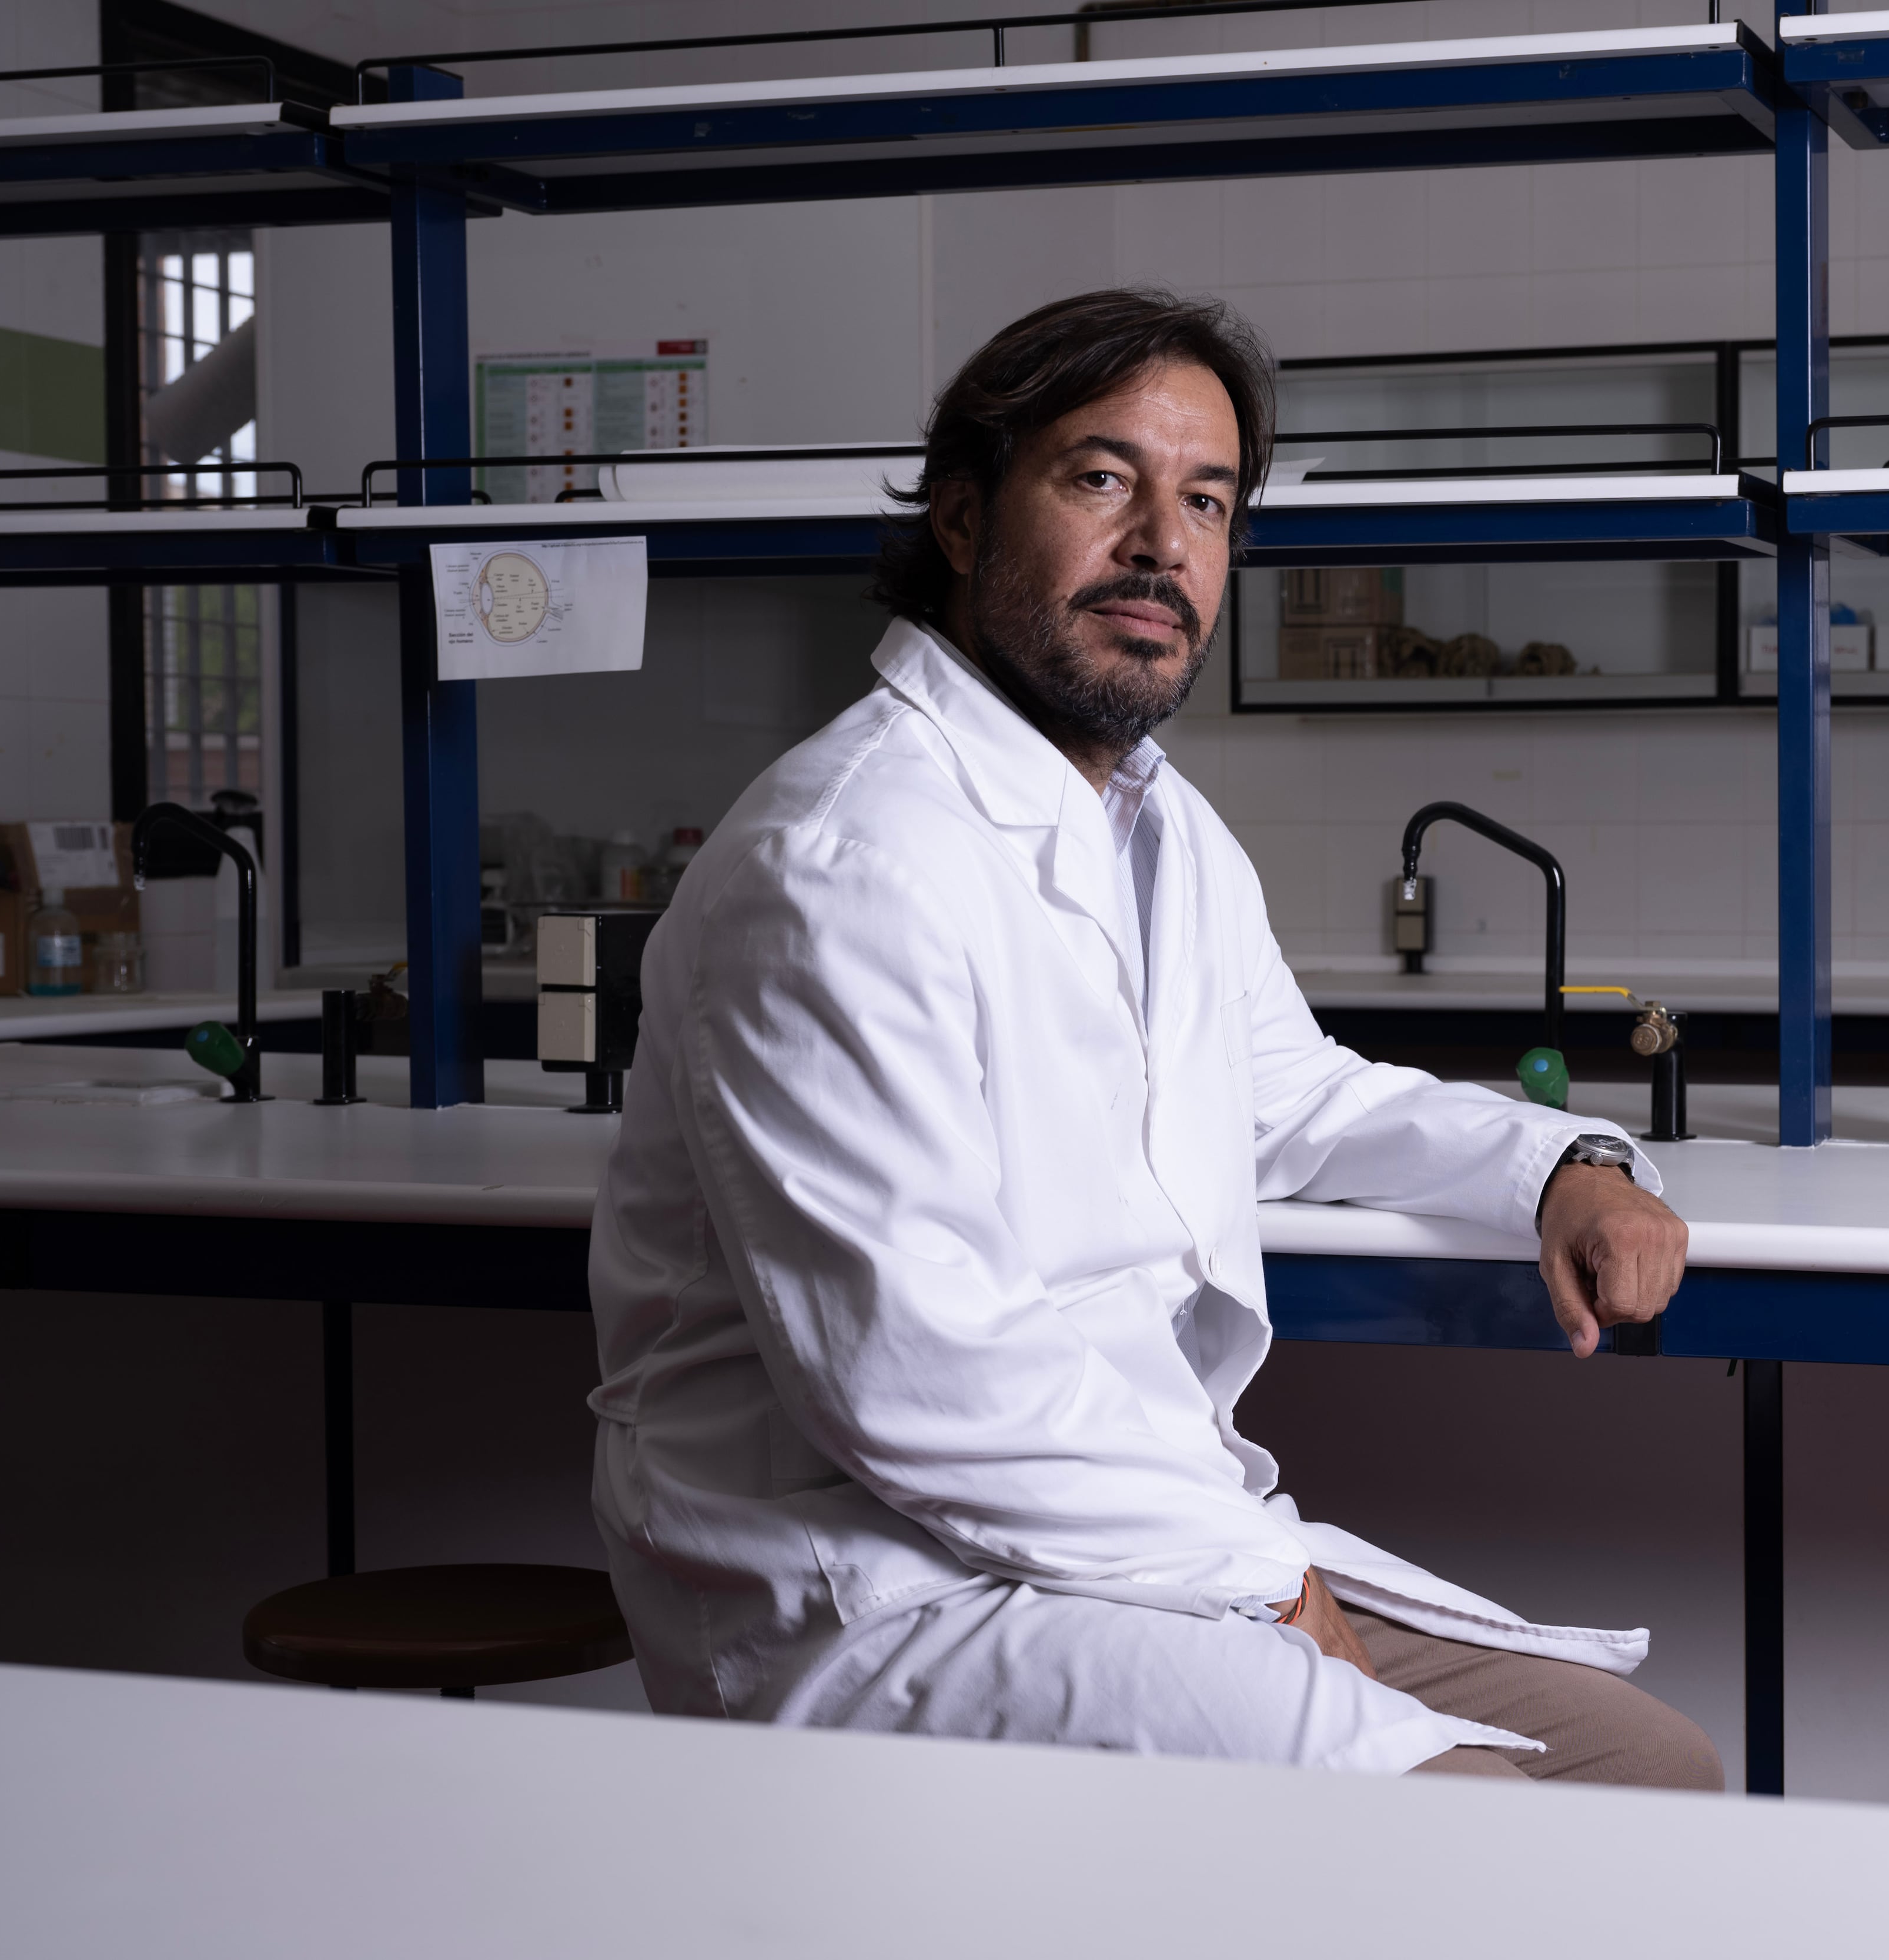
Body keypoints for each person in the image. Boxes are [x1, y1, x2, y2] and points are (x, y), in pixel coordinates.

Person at [587, 288, 1716, 1788]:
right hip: (877, 1585)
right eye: (1101, 478)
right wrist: (1258, 1580)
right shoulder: (842, 864)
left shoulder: (1156, 825)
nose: (1161, 544)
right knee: (1483, 1824)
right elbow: (922, 1381)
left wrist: (1561, 1163)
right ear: (963, 516)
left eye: (1204, 500)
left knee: (1657, 1776)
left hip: (1125, 1541)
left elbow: (1293, 1095)